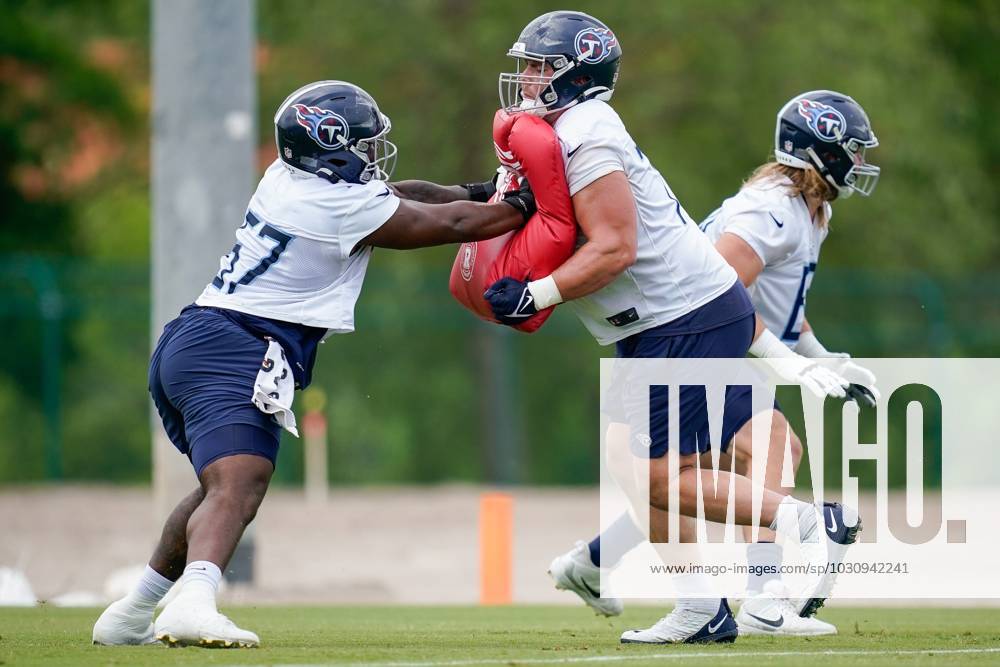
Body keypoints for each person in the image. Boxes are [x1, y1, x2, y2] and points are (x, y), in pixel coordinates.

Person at [91, 80, 536, 648]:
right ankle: (194, 602)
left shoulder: (292, 180)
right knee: (239, 484)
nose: (373, 154)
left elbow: (407, 195)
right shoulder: (333, 205)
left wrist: (481, 190)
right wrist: (524, 207)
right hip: (235, 345)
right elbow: (444, 226)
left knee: (219, 489)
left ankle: (134, 611)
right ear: (331, 144)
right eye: (363, 143)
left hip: (201, 340)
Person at [483, 11, 863, 644]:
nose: (526, 78)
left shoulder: (588, 131)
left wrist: (536, 294)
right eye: (526, 64)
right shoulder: (557, 131)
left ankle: (801, 529)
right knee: (644, 473)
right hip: (654, 321)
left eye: (540, 66)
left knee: (662, 475)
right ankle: (697, 607)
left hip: (680, 316)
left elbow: (615, 248)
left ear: (577, 75)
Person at [551, 90, 882, 637]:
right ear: (821, 149)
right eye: (853, 149)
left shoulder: (808, 209)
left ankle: (600, 562)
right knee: (683, 475)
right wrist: (781, 360)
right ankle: (758, 594)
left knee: (703, 472)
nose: (861, 162)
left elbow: (784, 309)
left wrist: (825, 360)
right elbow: (719, 293)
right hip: (689, 337)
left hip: (707, 342)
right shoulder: (774, 208)